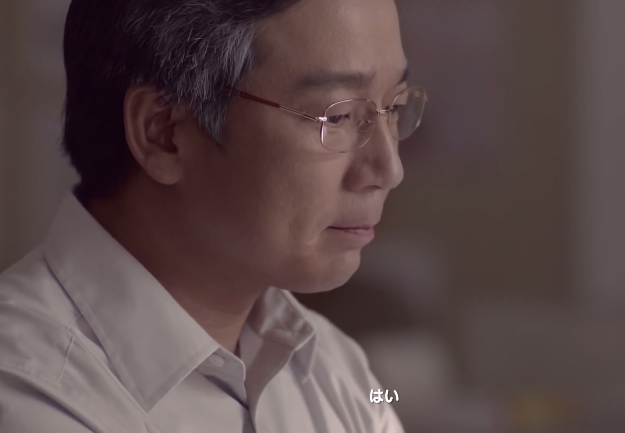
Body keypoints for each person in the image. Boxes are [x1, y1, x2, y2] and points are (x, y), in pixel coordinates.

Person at [0, 0, 427, 431]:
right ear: (163, 131)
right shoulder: (30, 393)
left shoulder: (335, 370)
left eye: (393, 108)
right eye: (337, 116)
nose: (389, 170)